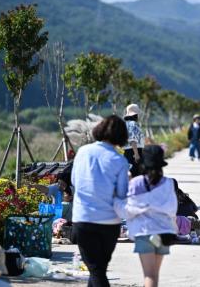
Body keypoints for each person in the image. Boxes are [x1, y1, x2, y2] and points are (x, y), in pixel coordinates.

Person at [71, 115, 129, 287]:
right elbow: (122, 194)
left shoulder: (82, 152)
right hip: (109, 223)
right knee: (98, 270)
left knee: (96, 270)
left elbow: (74, 182)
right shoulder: (120, 160)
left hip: (83, 219)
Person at [114, 145, 177, 287]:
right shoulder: (168, 183)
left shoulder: (137, 183)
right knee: (154, 275)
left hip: (144, 233)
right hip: (163, 233)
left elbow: (129, 210)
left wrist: (116, 202)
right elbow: (172, 209)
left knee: (149, 275)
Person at [123, 104, 145, 178]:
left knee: (130, 173)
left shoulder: (126, 124)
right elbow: (133, 140)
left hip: (128, 151)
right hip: (134, 151)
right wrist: (136, 154)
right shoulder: (133, 124)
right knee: (136, 174)